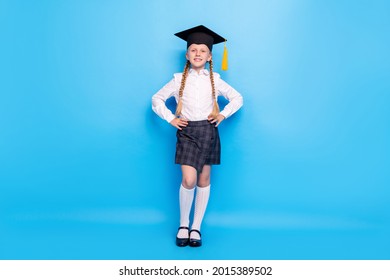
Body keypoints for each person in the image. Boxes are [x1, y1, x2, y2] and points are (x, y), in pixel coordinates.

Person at [152, 25, 243, 247]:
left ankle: (196, 228)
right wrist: (170, 118)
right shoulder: (177, 80)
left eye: (203, 50)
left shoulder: (215, 80)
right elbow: (156, 99)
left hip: (208, 131)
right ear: (187, 54)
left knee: (203, 180)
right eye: (193, 50)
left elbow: (237, 98)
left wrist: (222, 114)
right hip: (187, 132)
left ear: (210, 56)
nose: (198, 54)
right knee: (189, 179)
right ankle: (183, 224)